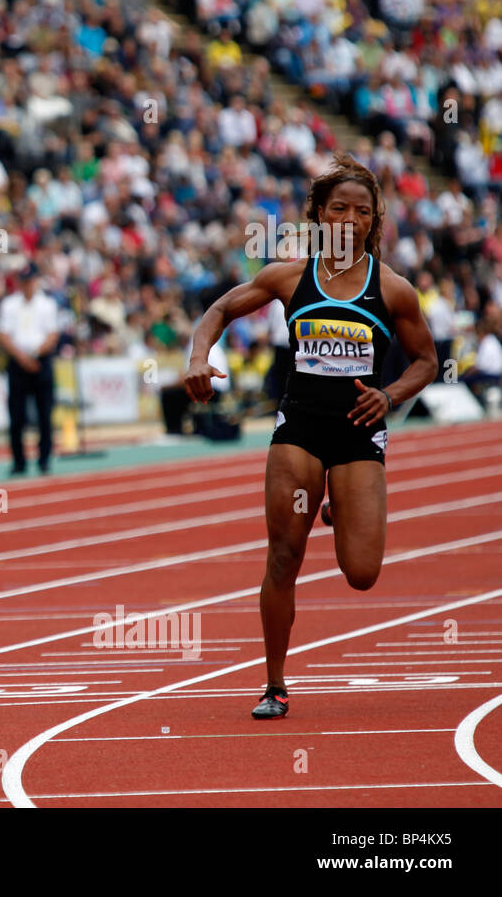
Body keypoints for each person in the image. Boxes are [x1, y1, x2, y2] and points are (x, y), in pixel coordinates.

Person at [181, 154, 437, 719]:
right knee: (283, 556)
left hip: (359, 430)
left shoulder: (393, 290)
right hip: (298, 426)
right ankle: (274, 684)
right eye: (338, 207)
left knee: (363, 574)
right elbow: (222, 308)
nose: (349, 218)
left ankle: (337, 507)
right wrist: (199, 355)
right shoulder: (288, 276)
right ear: (319, 214)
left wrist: (391, 396)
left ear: (374, 220)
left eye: (361, 211)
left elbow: (426, 361)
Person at [0, 265, 59, 473]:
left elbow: (52, 334)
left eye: (30, 281)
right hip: (18, 363)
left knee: (44, 415)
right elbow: (4, 335)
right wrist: (23, 357)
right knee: (17, 416)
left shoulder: (47, 304)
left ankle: (44, 459)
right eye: (23, 281)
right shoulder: (9, 304)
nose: (27, 285)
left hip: (41, 362)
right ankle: (19, 461)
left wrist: (35, 354)